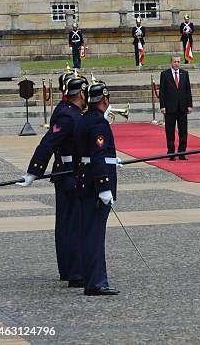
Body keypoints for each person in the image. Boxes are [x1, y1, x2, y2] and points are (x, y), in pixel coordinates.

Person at [16, 71, 87, 288]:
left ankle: (68, 269)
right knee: (73, 225)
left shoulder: (67, 110)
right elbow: (48, 143)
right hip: (69, 175)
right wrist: (33, 172)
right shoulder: (68, 115)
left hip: (65, 173)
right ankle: (75, 272)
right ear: (80, 94)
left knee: (66, 225)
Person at [74, 78, 120, 296]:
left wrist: (114, 159)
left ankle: (93, 278)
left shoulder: (85, 119)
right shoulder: (99, 123)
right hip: (95, 186)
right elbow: (97, 155)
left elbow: (84, 155)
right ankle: (96, 282)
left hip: (85, 182)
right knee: (95, 235)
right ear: (104, 99)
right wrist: (103, 186)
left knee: (89, 234)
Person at [159, 56, 193, 160]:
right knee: (170, 131)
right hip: (170, 108)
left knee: (183, 131)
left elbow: (188, 90)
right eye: (175, 62)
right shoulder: (165, 74)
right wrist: (162, 106)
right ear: (171, 62)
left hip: (182, 108)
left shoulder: (184, 74)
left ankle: (182, 152)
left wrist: (189, 105)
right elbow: (162, 92)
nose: (177, 64)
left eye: (178, 62)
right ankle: (171, 153)